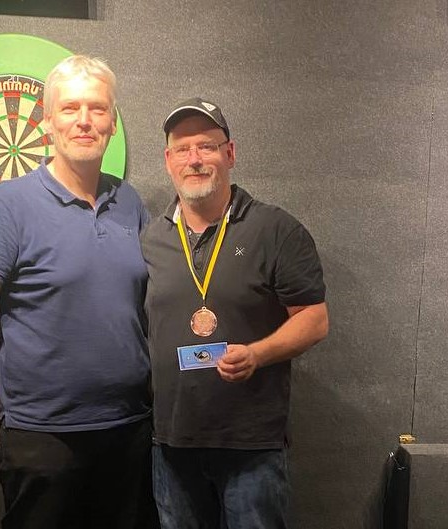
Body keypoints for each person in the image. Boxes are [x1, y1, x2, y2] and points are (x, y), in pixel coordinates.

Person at [0, 55, 157, 529]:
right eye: (69, 108)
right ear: (47, 122)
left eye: (97, 109)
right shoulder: (11, 203)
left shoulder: (129, 203)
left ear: (112, 123)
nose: (84, 120)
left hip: (129, 431)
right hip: (43, 439)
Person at [140, 97, 329, 529]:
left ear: (230, 153)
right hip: (171, 444)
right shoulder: (151, 238)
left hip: (251, 446)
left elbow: (314, 319)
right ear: (168, 161)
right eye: (183, 149)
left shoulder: (275, 229)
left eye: (207, 146)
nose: (194, 159)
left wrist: (258, 354)